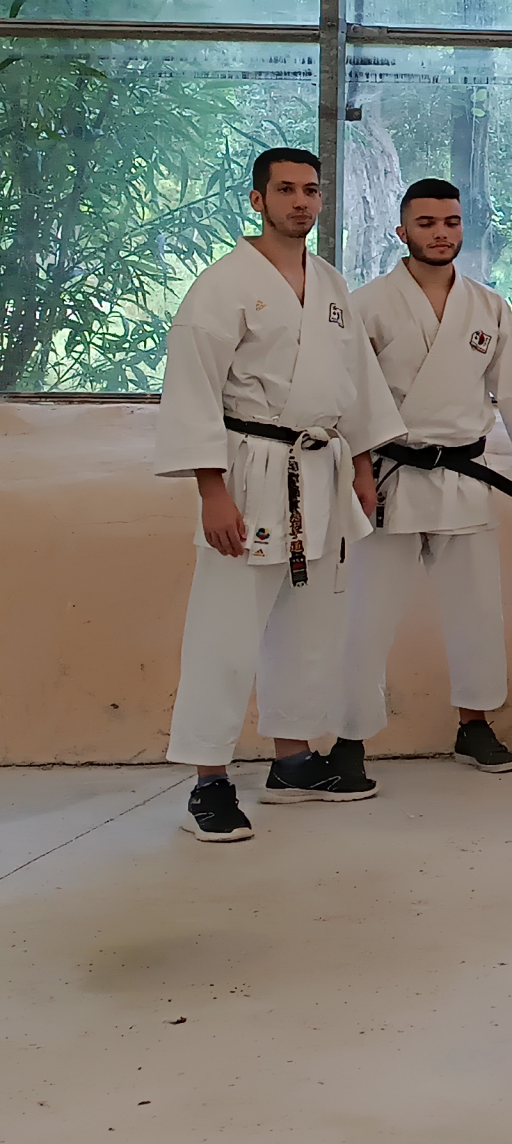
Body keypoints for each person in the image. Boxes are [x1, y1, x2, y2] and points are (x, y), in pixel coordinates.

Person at [157, 149, 404, 841]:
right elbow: (193, 389)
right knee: (226, 631)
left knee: (310, 626)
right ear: (257, 199)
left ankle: (292, 762)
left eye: (311, 190)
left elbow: (356, 382)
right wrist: (212, 491)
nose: (301, 201)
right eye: (286, 189)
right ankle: (208, 780)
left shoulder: (328, 283)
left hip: (320, 470)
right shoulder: (223, 285)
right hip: (248, 470)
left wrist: (361, 466)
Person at [340, 179, 512, 783]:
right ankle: (349, 737)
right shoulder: (367, 305)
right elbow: (352, 397)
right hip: (390, 474)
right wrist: (360, 468)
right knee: (366, 614)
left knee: (476, 610)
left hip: (463, 474)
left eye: (451, 222)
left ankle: (474, 724)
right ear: (402, 231)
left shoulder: (488, 307)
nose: (441, 233)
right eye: (428, 223)